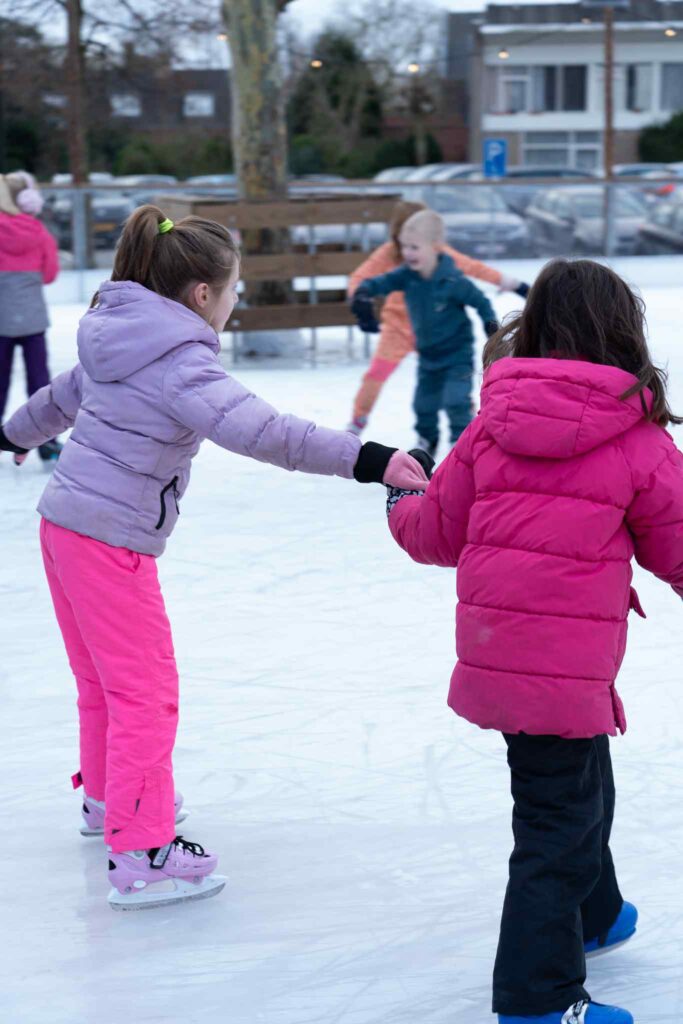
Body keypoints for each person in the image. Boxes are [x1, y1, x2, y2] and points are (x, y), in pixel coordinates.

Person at [0, 205, 430, 911]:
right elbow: (267, 432)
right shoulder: (180, 363)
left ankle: (109, 801)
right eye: (234, 291)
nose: (235, 303)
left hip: (63, 525)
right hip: (109, 540)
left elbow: (58, 398)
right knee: (145, 692)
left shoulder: (116, 337)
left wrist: (11, 434)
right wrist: (369, 459)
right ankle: (142, 851)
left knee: (102, 681)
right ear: (202, 294)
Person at [382, 258, 683, 1024]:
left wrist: (400, 498)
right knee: (555, 824)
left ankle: (595, 915)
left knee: (580, 790)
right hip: (562, 669)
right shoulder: (637, 440)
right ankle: (537, 999)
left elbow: (431, 534)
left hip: (505, 657)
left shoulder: (490, 427)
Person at [346, 200, 530, 435]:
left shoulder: (439, 254)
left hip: (439, 329)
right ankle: (359, 419)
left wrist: (516, 285)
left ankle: (465, 422)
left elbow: (474, 268)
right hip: (398, 328)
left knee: (452, 379)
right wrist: (360, 298)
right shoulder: (389, 254)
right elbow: (360, 278)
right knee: (377, 373)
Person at [0, 171, 62, 464]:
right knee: (39, 380)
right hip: (33, 318)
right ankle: (46, 441)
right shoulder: (39, 232)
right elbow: (49, 274)